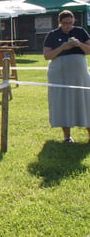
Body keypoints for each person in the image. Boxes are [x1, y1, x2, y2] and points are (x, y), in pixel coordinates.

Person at [42, 10, 90, 142]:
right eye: (64, 24)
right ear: (59, 23)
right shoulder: (52, 35)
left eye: (70, 23)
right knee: (63, 103)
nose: (68, 26)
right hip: (59, 74)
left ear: (74, 20)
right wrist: (62, 47)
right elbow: (47, 56)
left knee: (85, 101)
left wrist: (79, 44)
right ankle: (67, 136)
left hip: (79, 75)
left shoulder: (80, 31)